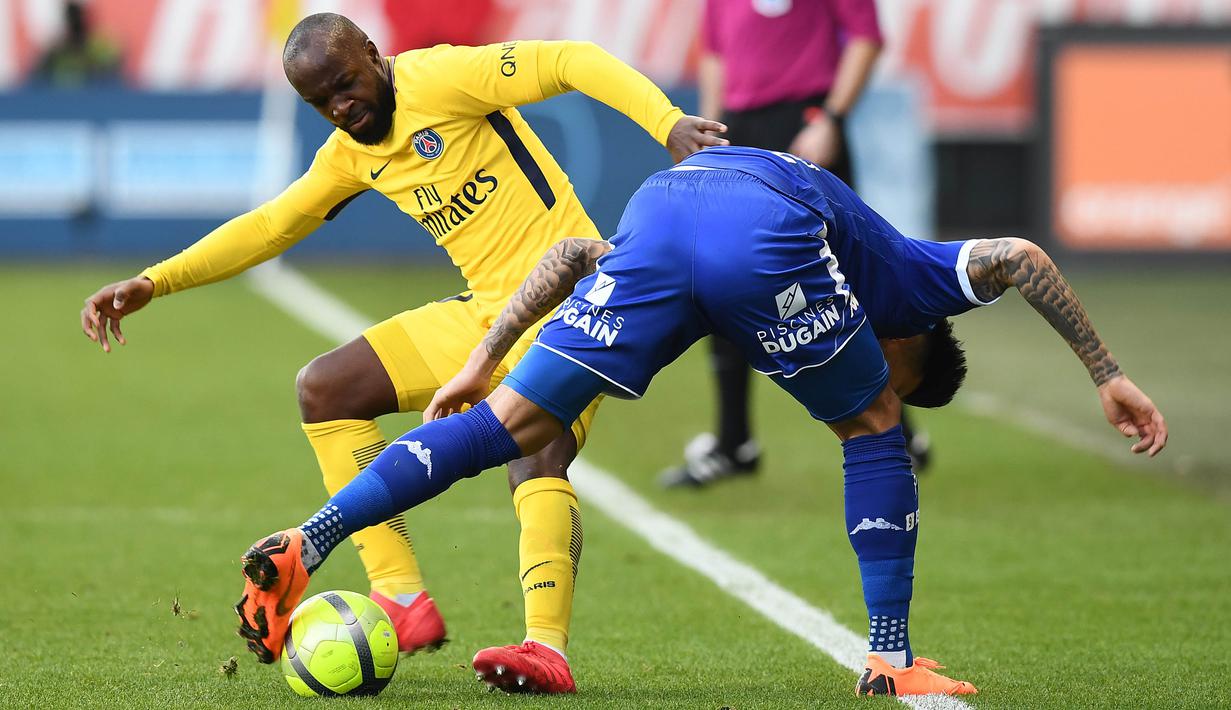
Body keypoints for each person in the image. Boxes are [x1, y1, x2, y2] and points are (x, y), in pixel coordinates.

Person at [233, 146, 1166, 696]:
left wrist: (484, 361)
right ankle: (890, 657)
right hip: (757, 232)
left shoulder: (845, 273)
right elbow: (1018, 255)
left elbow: (572, 256)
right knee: (874, 425)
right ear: (914, 334)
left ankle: (311, 538)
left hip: (660, 204)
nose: (873, 364)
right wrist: (1109, 374)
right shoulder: (914, 280)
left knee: (511, 422)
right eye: (896, 362)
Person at [79, 12, 725, 683]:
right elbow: (271, 225)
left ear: (371, 52)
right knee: (325, 388)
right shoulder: (349, 153)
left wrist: (666, 122)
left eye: (345, 83)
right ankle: (401, 596)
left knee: (536, 450)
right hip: (485, 315)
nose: (340, 106)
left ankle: (545, 648)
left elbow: (570, 59)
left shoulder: (443, 77)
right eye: (321, 101)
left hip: (571, 309)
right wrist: (155, 281)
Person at [663, 0, 926, 488]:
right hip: (739, 131)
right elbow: (716, 54)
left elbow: (865, 38)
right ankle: (734, 442)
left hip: (805, 125)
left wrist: (831, 118)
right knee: (722, 274)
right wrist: (709, 132)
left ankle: (897, 425)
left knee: (849, 280)